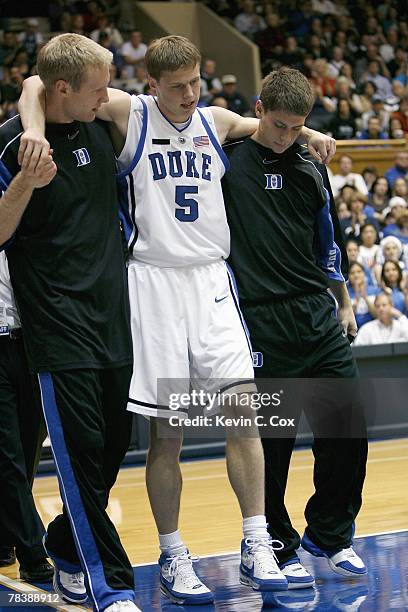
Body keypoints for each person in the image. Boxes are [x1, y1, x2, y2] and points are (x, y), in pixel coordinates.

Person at [19, 34, 336, 605]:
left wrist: (309, 132)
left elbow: (262, 125)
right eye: (178, 86)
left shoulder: (216, 118)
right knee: (169, 432)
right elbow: (38, 85)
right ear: (152, 86)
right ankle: (172, 552)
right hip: (153, 284)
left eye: (196, 82)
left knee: (245, 414)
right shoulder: (128, 114)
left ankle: (257, 541)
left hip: (212, 282)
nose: (190, 94)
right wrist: (36, 131)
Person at [1, 34, 139, 612]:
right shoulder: (11, 146)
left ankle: (62, 545)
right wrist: (25, 181)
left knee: (113, 449)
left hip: (113, 318)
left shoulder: (100, 123)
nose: (107, 95)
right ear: (65, 88)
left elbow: (33, 84)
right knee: (80, 460)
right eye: (98, 86)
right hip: (57, 327)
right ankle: (110, 585)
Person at [222, 67, 368, 588]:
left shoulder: (311, 163)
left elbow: (327, 238)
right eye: (279, 125)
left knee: (347, 428)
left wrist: (344, 300)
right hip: (260, 318)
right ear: (258, 110)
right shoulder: (226, 158)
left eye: (296, 127)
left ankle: (329, 537)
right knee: (274, 443)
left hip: (316, 314)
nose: (287, 136)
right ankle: (276, 545)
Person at [0, 251, 53, 583]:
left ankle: (4, 535)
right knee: (7, 453)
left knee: (27, 445)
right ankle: (33, 552)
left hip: (31, 342)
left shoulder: (23, 213)